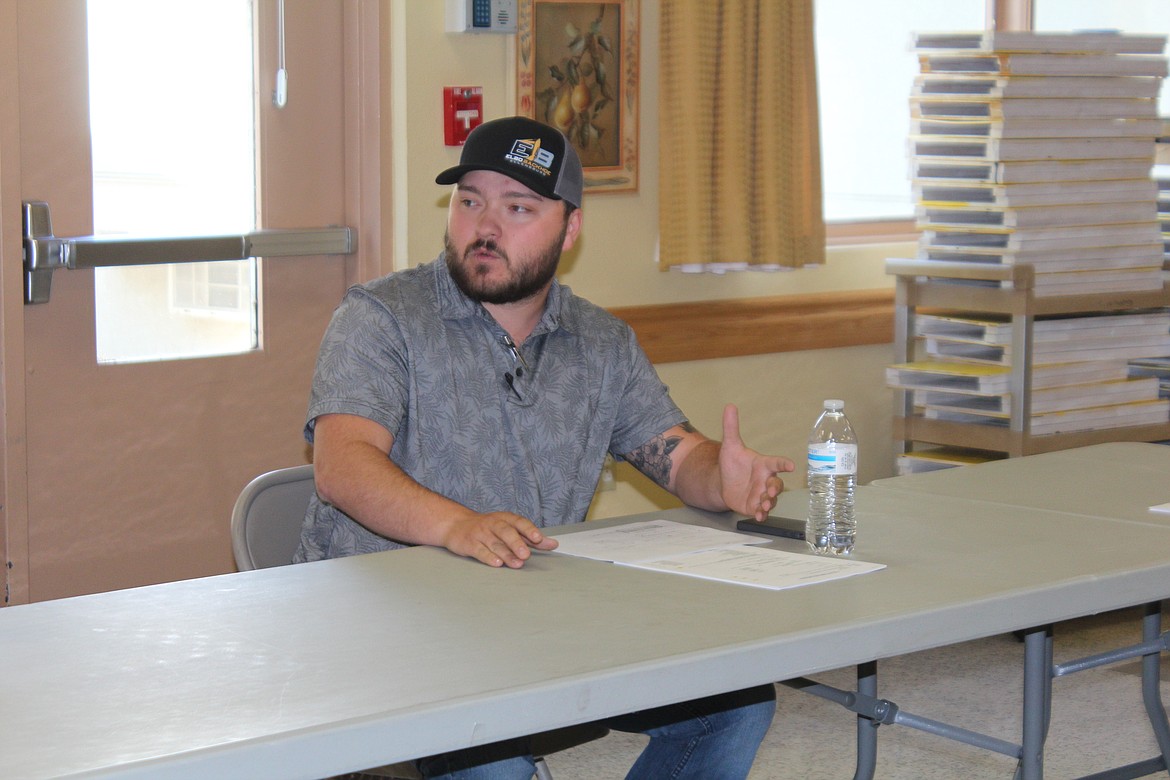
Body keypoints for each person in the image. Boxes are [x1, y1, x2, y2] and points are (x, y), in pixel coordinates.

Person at [295, 116, 796, 779]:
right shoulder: (382, 318)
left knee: (733, 703)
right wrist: (458, 526)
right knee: (493, 757)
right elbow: (342, 465)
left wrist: (721, 477)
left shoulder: (601, 343)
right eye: (469, 201)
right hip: (385, 636)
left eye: (518, 207)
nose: (485, 226)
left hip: (533, 624)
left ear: (570, 228)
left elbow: (676, 458)